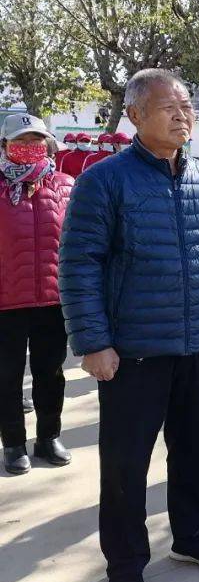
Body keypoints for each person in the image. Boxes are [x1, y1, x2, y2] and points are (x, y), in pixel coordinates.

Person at [59, 68, 199, 582]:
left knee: (195, 449)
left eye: (186, 106)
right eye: (168, 106)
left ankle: (193, 538)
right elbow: (79, 264)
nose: (182, 115)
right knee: (126, 463)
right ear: (136, 115)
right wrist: (93, 341)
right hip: (133, 351)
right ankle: (124, 561)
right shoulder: (105, 180)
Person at [0, 114, 74, 475]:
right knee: (6, 375)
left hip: (52, 300)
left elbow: (76, 244)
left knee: (51, 372)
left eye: (37, 139)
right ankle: (13, 443)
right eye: (21, 140)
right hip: (5, 302)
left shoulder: (65, 186)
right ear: (4, 146)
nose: (30, 146)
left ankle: (49, 436)